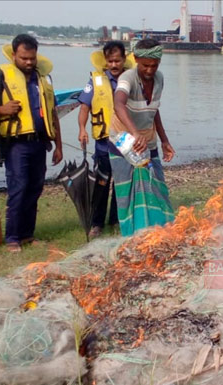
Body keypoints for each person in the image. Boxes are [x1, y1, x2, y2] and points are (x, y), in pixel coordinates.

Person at [0, 34, 63, 252]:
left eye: (32, 58)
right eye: (23, 58)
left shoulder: (42, 78)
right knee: (18, 188)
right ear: (13, 55)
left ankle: (28, 234)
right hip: (16, 143)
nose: (28, 62)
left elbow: (53, 114)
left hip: (39, 142)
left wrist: (59, 146)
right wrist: (1, 110)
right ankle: (12, 238)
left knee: (35, 188)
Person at [110, 38, 176, 236]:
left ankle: (159, 232)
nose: (150, 70)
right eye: (146, 65)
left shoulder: (160, 79)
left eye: (154, 65)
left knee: (156, 186)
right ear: (136, 59)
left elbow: (153, 110)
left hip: (148, 141)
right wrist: (134, 133)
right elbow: (118, 104)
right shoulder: (126, 78)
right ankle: (131, 234)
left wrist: (165, 141)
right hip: (123, 143)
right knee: (127, 193)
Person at [77, 41, 135, 239]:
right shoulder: (95, 80)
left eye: (117, 60)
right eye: (110, 61)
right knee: (102, 183)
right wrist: (81, 129)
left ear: (124, 59)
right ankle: (97, 223)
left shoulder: (131, 79)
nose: (114, 65)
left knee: (122, 181)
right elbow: (84, 108)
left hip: (124, 140)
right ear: (106, 61)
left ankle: (117, 220)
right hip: (103, 142)